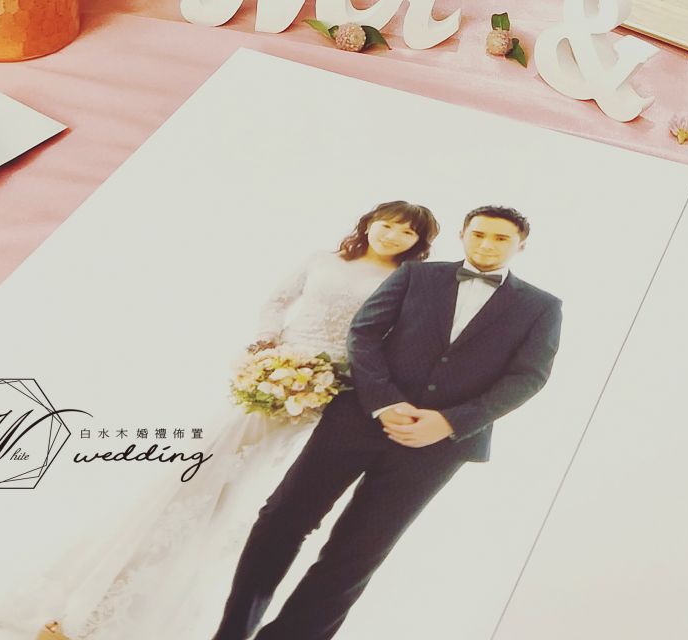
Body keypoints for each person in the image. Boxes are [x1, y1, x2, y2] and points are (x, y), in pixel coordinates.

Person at [65, 201, 440, 640]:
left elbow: (392, 341)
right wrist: (267, 348)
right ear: (369, 223)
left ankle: (193, 613)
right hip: (269, 381)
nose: (393, 236)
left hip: (331, 399)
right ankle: (110, 594)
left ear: (418, 243)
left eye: (407, 232)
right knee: (200, 479)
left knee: (257, 502)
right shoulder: (323, 260)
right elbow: (277, 302)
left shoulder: (407, 282)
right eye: (388, 224)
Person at [213, 205, 562, 640]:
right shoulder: (417, 275)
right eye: (478, 234)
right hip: (357, 420)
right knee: (281, 519)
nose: (487, 244)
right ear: (463, 235)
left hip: (438, 446)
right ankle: (232, 632)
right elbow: (363, 333)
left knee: (358, 553)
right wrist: (384, 402)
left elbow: (529, 377)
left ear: (520, 246)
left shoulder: (541, 306)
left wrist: (449, 422)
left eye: (500, 238)